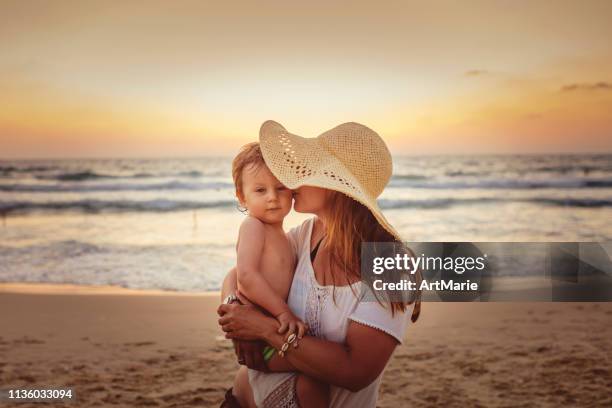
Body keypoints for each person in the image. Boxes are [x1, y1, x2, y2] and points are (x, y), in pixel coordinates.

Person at [218, 120, 422, 408]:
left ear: (336, 183)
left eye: (308, 169)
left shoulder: (393, 266)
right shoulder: (306, 236)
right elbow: (240, 272)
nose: (293, 177)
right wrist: (237, 311)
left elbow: (356, 372)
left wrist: (263, 329)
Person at [229, 142, 330, 407]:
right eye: (260, 190)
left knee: (314, 383)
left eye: (280, 188)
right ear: (242, 196)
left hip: (274, 332)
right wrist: (284, 312)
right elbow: (246, 277)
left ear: (292, 191)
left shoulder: (287, 238)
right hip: (261, 338)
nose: (272, 197)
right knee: (316, 384)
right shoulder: (253, 226)